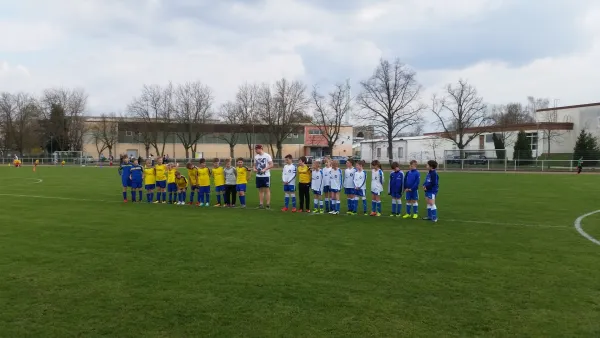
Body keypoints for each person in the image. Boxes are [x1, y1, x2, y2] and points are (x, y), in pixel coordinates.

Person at [253, 144, 273, 209]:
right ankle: (261, 204)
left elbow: (271, 164)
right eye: (255, 149)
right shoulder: (256, 157)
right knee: (260, 190)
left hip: (266, 176)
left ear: (260, 149)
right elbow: (254, 165)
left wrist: (265, 169)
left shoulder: (267, 156)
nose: (255, 150)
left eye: (256, 149)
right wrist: (254, 169)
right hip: (258, 176)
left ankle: (267, 204)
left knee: (267, 190)